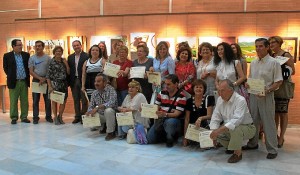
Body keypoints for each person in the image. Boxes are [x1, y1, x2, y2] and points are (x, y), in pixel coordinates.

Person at [243, 38, 283, 159]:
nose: (257, 49)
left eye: (260, 46)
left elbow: (278, 81)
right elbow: (250, 78)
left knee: (268, 122)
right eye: (256, 46)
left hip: (267, 95)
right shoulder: (254, 63)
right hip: (254, 95)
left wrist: (267, 90)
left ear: (267, 47)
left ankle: (272, 149)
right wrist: (247, 84)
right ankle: (252, 143)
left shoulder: (274, 62)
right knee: (253, 120)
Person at [209, 79, 256, 163]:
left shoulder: (240, 100)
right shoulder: (220, 99)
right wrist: (214, 132)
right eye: (218, 91)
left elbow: (236, 121)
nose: (219, 93)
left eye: (222, 91)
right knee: (214, 131)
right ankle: (232, 147)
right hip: (230, 129)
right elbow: (215, 117)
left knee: (235, 128)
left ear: (231, 90)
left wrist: (218, 131)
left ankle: (237, 153)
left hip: (248, 128)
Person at [269, 36, 295, 148]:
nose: (271, 44)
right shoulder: (272, 56)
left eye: (273, 42)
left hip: (283, 87)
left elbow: (293, 71)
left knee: (283, 113)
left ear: (279, 43)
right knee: (274, 112)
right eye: (269, 42)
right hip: (274, 86)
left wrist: (283, 71)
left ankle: (281, 137)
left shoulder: (286, 55)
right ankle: (275, 135)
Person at [147, 74, 187, 147]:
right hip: (161, 119)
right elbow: (155, 107)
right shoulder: (162, 93)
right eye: (165, 84)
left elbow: (177, 114)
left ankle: (170, 138)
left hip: (174, 120)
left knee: (170, 122)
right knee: (150, 140)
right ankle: (164, 136)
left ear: (176, 84)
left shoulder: (182, 96)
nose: (166, 86)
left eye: (169, 84)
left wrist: (164, 114)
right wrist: (145, 109)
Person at [3, 39, 31, 124]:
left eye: (21, 45)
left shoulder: (26, 55)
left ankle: (24, 117)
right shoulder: (7, 56)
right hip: (13, 81)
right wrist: (12, 76)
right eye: (19, 45)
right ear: (13, 46)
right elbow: (5, 68)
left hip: (24, 81)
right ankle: (14, 117)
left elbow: (28, 67)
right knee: (13, 100)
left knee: (24, 100)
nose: (21, 46)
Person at [86, 73, 118, 141]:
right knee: (91, 126)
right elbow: (91, 106)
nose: (96, 83)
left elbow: (112, 103)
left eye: (98, 81)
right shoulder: (94, 93)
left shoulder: (111, 89)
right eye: (95, 81)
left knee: (108, 110)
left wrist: (98, 107)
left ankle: (111, 132)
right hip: (101, 115)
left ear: (105, 82)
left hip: (111, 115)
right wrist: (89, 111)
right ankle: (103, 126)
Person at [183, 79, 214, 147]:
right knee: (193, 144)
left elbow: (209, 116)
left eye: (201, 87)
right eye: (196, 87)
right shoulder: (189, 101)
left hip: (205, 126)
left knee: (206, 146)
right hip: (193, 128)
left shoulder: (208, 98)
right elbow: (187, 119)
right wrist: (185, 137)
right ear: (193, 88)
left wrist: (201, 118)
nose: (198, 89)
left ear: (204, 89)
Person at [28, 40, 52, 124]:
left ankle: (48, 117)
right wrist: (39, 78)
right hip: (36, 81)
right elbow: (31, 71)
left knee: (48, 100)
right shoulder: (32, 58)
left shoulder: (48, 58)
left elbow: (50, 70)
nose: (37, 47)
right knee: (35, 100)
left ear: (43, 47)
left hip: (46, 80)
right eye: (36, 46)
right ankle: (35, 117)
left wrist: (44, 79)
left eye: (39, 46)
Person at [46, 46, 70, 125]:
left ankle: (60, 116)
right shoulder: (51, 62)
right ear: (54, 52)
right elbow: (48, 76)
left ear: (62, 52)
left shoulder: (64, 61)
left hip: (64, 84)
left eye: (60, 51)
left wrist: (66, 64)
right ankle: (55, 117)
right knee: (55, 101)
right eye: (57, 51)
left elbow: (68, 73)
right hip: (54, 84)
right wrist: (49, 86)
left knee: (63, 101)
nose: (58, 52)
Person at [68, 40, 89, 124]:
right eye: (74, 46)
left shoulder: (86, 56)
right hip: (74, 81)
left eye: (77, 45)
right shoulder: (70, 57)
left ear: (81, 45)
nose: (76, 47)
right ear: (72, 47)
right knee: (76, 99)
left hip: (83, 80)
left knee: (84, 100)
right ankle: (77, 116)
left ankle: (83, 116)